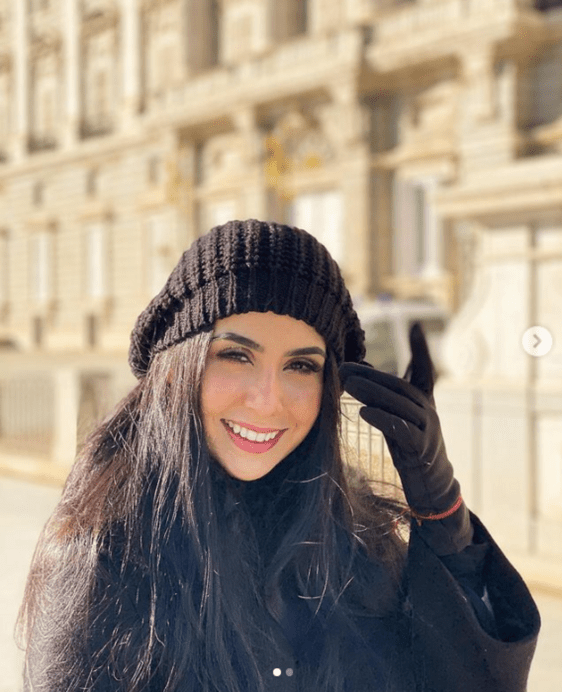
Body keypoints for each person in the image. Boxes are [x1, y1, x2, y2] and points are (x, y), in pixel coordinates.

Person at [17, 219, 540, 692]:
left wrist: (440, 507)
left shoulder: (356, 541)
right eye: (235, 355)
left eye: (301, 366)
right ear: (176, 367)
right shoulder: (106, 557)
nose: (267, 399)